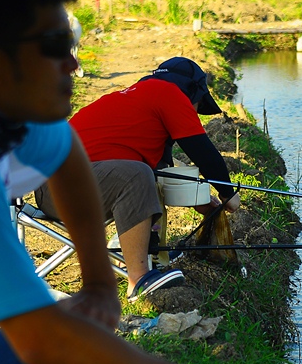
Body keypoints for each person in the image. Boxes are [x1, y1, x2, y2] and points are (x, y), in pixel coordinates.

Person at [0, 0, 226, 364]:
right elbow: (40, 340)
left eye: (71, 42)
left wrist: (98, 282)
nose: (73, 63)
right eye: (56, 45)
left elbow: (65, 151)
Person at [36, 57, 241, 303]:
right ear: (192, 92)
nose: (195, 112)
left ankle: (147, 255)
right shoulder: (169, 93)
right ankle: (139, 279)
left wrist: (203, 202)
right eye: (199, 104)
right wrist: (228, 193)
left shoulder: (135, 102)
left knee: (144, 175)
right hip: (64, 186)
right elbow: (204, 153)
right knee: (137, 174)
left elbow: (163, 176)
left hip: (55, 189)